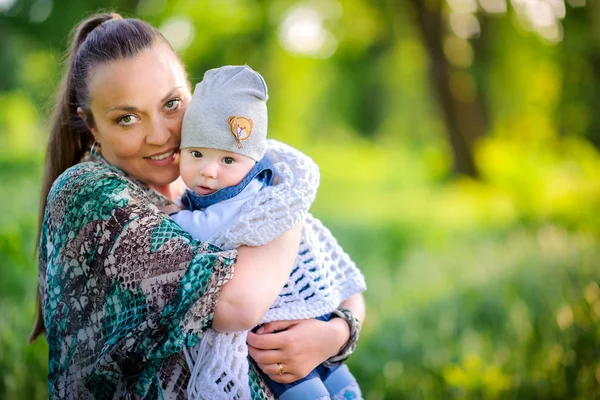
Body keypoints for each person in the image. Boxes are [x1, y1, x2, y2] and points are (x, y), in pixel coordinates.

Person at [29, 12, 366, 400]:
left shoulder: (206, 184)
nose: (160, 135)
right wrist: (284, 196)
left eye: (172, 103)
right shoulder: (88, 194)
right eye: (126, 118)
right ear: (92, 127)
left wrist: (334, 334)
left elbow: (342, 283)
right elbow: (238, 303)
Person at [169, 65, 367, 400]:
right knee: (333, 380)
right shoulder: (231, 184)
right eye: (196, 154)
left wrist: (171, 220)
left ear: (253, 163)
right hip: (302, 318)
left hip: (281, 321)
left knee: (295, 380)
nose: (209, 171)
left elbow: (211, 225)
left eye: (228, 160)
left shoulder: (248, 195)